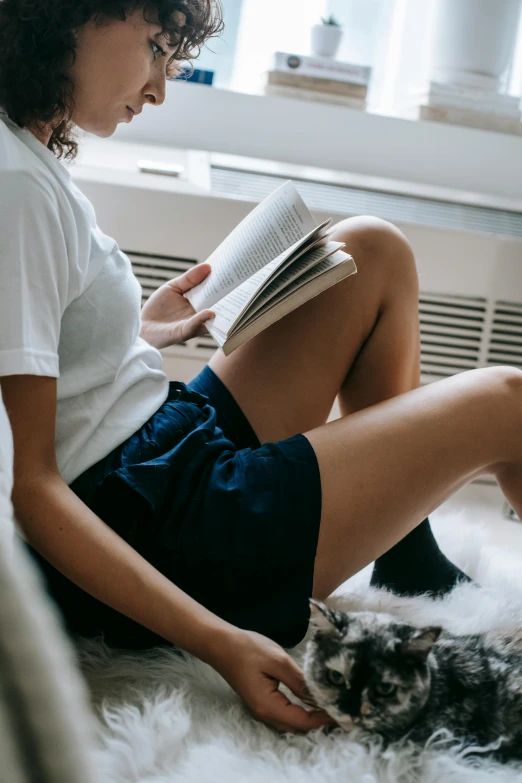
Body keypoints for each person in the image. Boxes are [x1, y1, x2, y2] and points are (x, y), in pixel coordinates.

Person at [1, 0, 522, 737]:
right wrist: (217, 639)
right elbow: (30, 487)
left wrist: (128, 331)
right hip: (161, 530)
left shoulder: (24, 153)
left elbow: (47, 365)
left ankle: (409, 554)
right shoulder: (14, 184)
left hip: (156, 454)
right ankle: (358, 549)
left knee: (367, 252)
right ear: (64, 16)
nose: (158, 89)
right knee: (509, 401)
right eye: (154, 47)